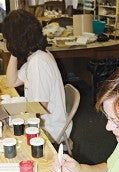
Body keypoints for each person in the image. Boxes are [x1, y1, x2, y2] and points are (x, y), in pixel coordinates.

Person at [2, 9, 71, 142]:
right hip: (42, 119)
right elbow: (12, 82)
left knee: (6, 133)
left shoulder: (38, 63)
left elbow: (40, 108)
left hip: (48, 129)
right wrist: (14, 52)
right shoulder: (36, 55)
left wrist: (12, 116)